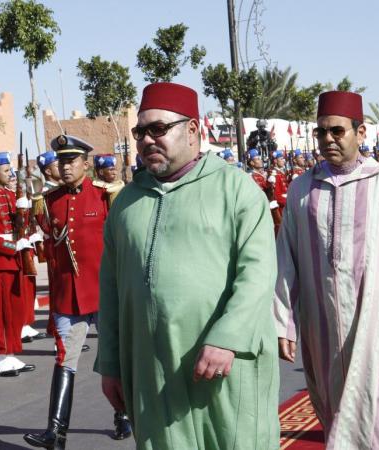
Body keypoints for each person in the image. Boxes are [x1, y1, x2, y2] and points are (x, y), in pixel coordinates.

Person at [97, 82, 280, 449]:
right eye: (141, 131)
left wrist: (227, 338)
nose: (147, 140)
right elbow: (111, 289)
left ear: (193, 130)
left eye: (158, 129)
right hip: (151, 371)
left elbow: (258, 274)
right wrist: (112, 363)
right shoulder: (126, 203)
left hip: (225, 366)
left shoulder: (236, 189)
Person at [274, 91, 379, 450]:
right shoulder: (303, 188)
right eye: (320, 132)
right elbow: (285, 262)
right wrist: (283, 323)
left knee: (371, 410)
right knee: (332, 410)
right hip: (319, 328)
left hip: (376, 322)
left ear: (361, 133)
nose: (327, 140)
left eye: (337, 131)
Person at [24, 135, 132, 450]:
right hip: (68, 296)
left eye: (72, 161)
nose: (66, 166)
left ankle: (122, 415)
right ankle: (55, 433)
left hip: (103, 292)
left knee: (116, 356)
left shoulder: (105, 196)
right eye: (62, 161)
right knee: (64, 360)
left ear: (86, 163)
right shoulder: (49, 200)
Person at [0, 152, 36, 376]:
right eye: (5, 170)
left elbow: (19, 226)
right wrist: (12, 247)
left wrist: (24, 209)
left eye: (10, 170)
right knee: (0, 310)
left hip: (15, 261)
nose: (10, 173)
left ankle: (12, 353)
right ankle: (1, 357)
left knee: (14, 310)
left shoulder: (10, 194)